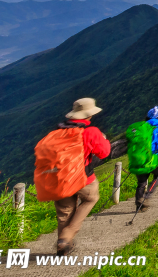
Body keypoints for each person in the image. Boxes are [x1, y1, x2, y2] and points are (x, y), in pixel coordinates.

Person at [41, 98, 110, 257]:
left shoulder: (57, 132)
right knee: (91, 198)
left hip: (59, 180)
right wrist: (103, 140)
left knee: (65, 211)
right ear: (89, 115)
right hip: (82, 179)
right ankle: (67, 236)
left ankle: (63, 246)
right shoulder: (91, 131)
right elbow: (104, 153)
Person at [130, 106, 158, 211]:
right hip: (153, 160)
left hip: (140, 158)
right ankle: (146, 197)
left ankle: (139, 203)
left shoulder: (141, 128)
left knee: (141, 183)